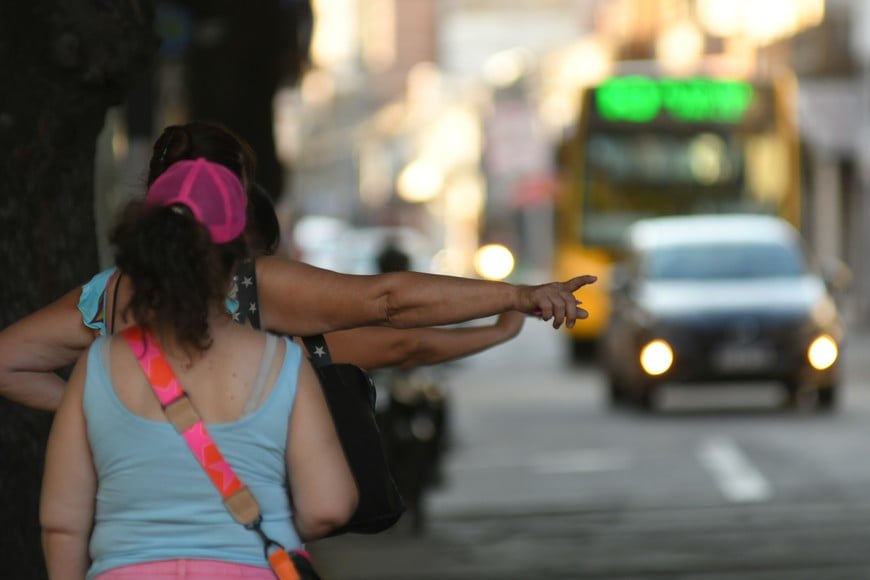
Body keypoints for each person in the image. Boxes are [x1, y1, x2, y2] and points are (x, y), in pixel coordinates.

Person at [0, 121, 596, 412]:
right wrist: (513, 299)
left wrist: (103, 418)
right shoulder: (253, 287)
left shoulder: (106, 298)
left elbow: (8, 362)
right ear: (238, 203)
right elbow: (391, 306)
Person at [40, 158, 357, 578]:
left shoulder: (96, 366)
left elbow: (61, 522)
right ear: (237, 259)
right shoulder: (281, 363)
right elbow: (327, 507)